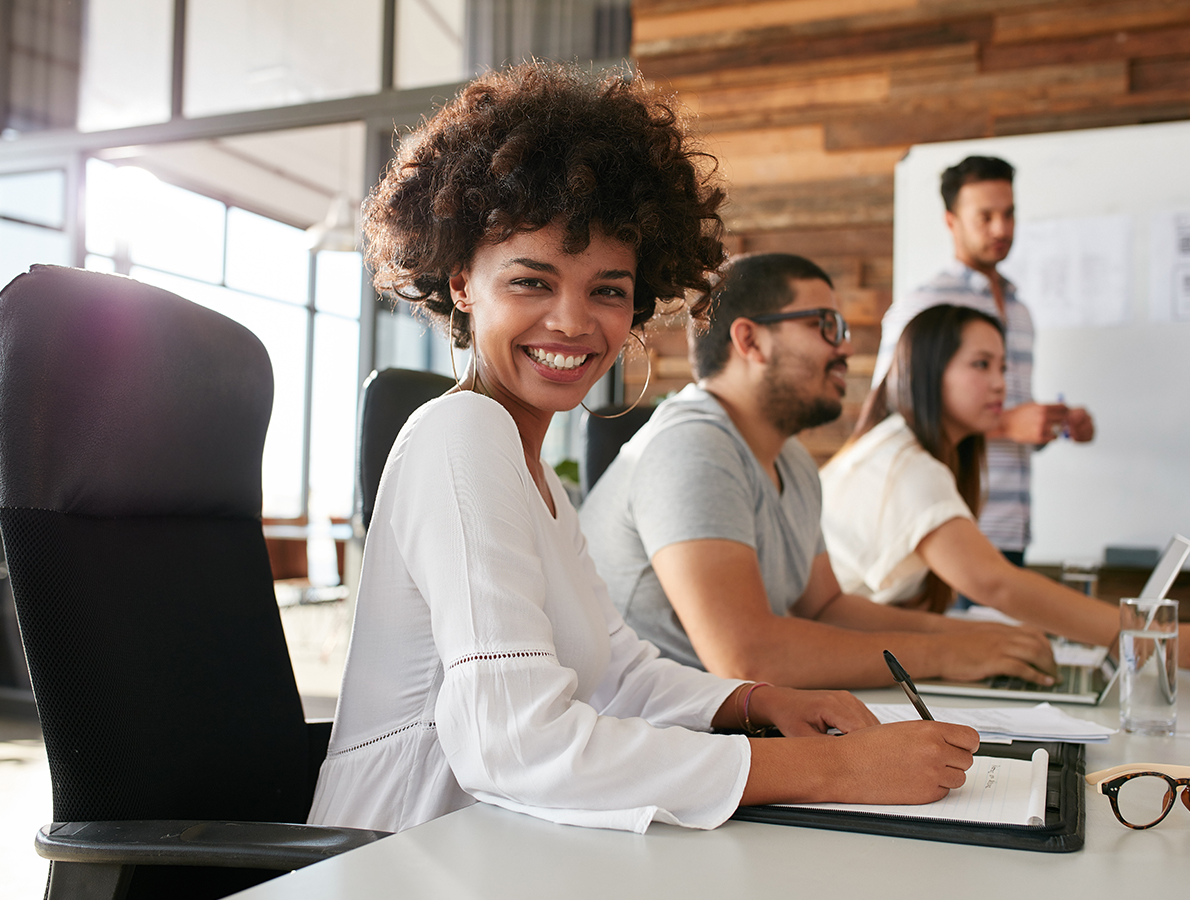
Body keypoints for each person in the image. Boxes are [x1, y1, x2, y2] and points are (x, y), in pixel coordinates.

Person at [307, 63, 979, 837]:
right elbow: (515, 743)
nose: (572, 322)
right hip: (399, 857)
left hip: (501, 845)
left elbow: (618, 670)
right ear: (462, 282)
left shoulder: (536, 476)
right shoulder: (463, 435)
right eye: (531, 281)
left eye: (607, 290)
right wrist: (838, 769)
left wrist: (754, 701)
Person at [580, 253, 1056, 691]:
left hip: (723, 728)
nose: (846, 346)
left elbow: (827, 609)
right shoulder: (691, 447)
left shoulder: (792, 462)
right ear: (751, 341)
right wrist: (947, 652)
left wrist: (976, 638)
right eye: (825, 325)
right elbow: (747, 658)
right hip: (655, 744)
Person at [821, 303, 1190, 667]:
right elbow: (997, 584)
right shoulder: (906, 464)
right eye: (981, 365)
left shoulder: (905, 447)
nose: (1001, 384)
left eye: (1003, 367)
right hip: (827, 656)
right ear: (929, 371)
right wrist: (1150, 636)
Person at [871, 156, 1093, 568]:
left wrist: (1051, 424)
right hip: (947, 524)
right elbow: (890, 414)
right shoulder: (924, 305)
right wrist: (1008, 423)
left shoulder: (1020, 311)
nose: (1002, 229)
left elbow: (996, 410)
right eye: (985, 216)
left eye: (1009, 214)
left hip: (1013, 529)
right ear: (951, 221)